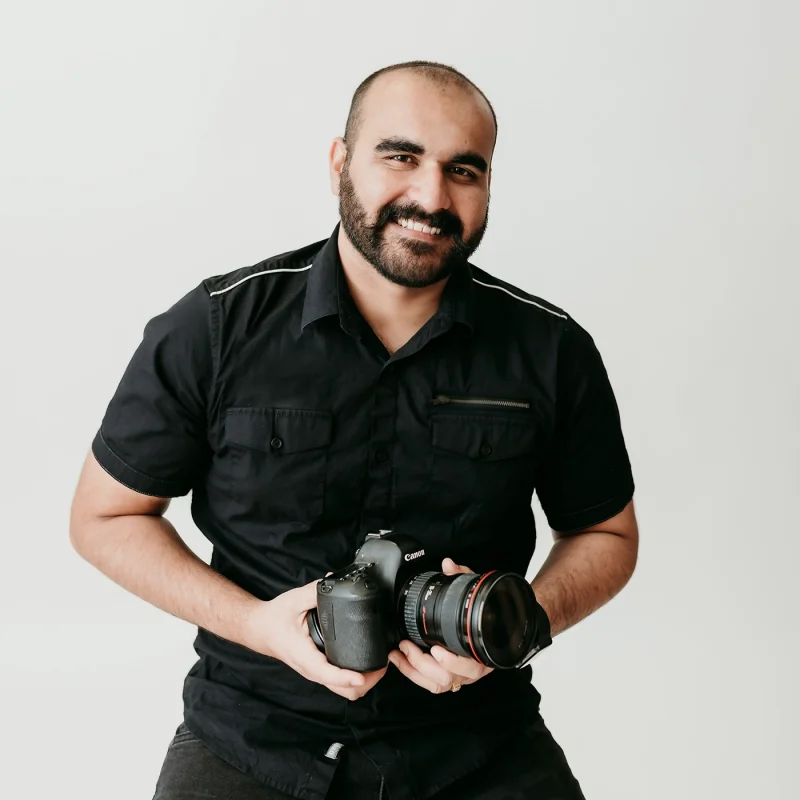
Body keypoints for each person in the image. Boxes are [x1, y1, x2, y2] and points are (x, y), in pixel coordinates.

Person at [70, 60, 638, 800]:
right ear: (340, 161)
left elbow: (608, 536)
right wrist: (256, 624)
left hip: (481, 742)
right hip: (251, 737)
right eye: (400, 156)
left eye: (463, 170)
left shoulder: (551, 348)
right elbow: (103, 517)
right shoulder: (215, 328)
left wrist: (523, 623)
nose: (430, 197)